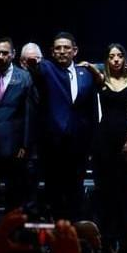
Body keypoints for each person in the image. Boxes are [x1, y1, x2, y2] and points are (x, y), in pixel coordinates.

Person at [25, 32, 99, 221]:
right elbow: (38, 73)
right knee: (54, 194)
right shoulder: (47, 69)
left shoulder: (86, 74)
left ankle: (74, 238)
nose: (62, 51)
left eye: (66, 47)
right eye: (57, 48)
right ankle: (56, 239)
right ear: (51, 51)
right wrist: (34, 66)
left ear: (75, 51)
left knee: (76, 194)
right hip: (53, 145)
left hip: (79, 145)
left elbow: (91, 110)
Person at [92, 44, 127, 248]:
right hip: (104, 139)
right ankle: (107, 238)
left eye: (120, 56)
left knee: (125, 190)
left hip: (125, 138)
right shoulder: (102, 80)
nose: (116, 60)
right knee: (106, 190)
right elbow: (93, 76)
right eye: (112, 56)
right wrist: (93, 68)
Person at [0, 37, 34, 220]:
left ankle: (13, 236)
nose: (1, 56)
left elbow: (29, 114)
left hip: (14, 147)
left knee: (15, 196)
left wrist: (25, 146)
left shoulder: (24, 77)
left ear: (12, 54)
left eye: (5, 53)